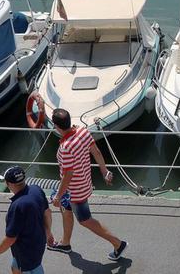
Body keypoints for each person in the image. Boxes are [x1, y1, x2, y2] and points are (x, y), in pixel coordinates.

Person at [46, 108, 128, 261]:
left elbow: (68, 175)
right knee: (66, 210)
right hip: (84, 183)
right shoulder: (83, 132)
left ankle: (118, 244)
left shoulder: (65, 148)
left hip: (75, 191)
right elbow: (96, 152)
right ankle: (65, 243)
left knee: (85, 220)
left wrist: (58, 196)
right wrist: (104, 172)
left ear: (56, 126)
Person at [0, 166, 53, 274]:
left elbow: (10, 238)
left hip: (26, 252)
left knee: (34, 269)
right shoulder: (36, 189)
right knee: (15, 266)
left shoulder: (18, 206)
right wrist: (48, 233)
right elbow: (47, 213)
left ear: (9, 184)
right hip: (38, 242)